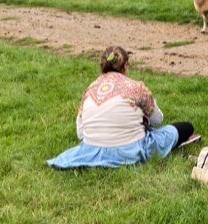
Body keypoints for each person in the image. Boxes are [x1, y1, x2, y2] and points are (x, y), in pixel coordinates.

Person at [47, 46, 196, 169]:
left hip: (90, 149)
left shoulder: (90, 89)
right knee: (186, 127)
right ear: (125, 66)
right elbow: (157, 120)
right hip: (130, 149)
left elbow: (81, 133)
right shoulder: (136, 87)